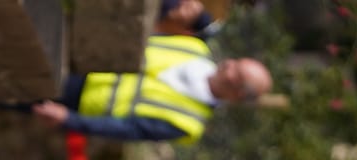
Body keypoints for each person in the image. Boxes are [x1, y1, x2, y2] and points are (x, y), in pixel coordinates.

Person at [30, 21, 272, 145]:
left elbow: (128, 130)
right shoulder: (195, 47)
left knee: (2, 89)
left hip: (74, 97)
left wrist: (69, 120)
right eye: (236, 63)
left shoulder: (189, 123)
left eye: (237, 74)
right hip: (80, 53)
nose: (229, 65)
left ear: (238, 95)